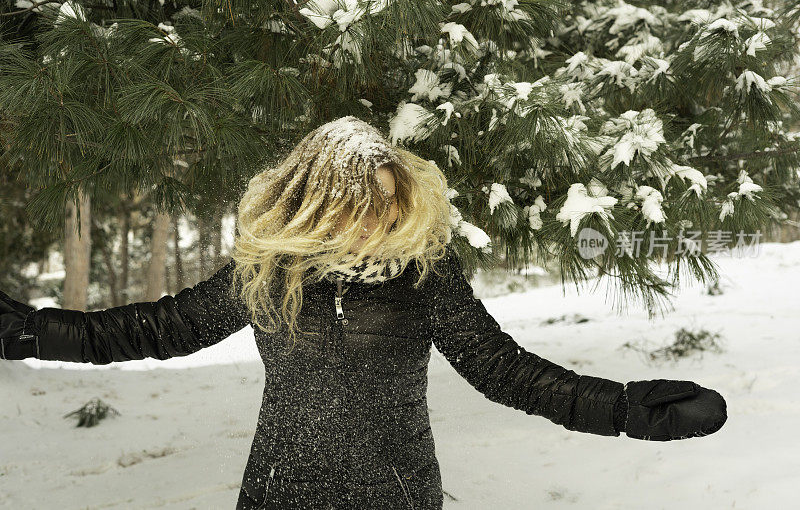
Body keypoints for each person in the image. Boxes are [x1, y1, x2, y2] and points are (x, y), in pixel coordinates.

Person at [0, 116, 727, 510]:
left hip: (399, 496)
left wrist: (633, 409)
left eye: (386, 202)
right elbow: (148, 330)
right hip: (279, 492)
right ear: (315, 201)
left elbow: (509, 373)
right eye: (357, 204)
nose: (375, 220)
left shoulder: (426, 275)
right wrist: (27, 327)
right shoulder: (266, 274)